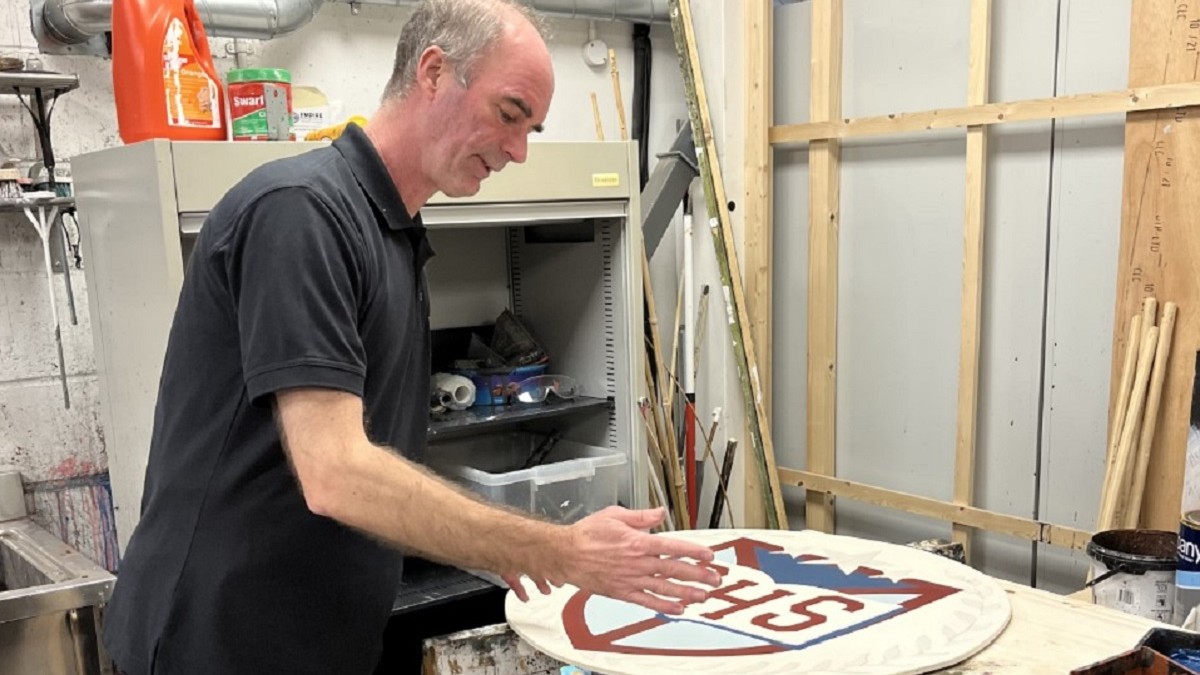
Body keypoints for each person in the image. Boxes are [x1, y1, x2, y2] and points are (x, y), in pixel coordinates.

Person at [101, 1, 721, 673]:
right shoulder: (302, 214)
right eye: (511, 114)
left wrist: (494, 542)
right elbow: (336, 473)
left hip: (316, 643)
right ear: (433, 72)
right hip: (217, 645)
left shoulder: (393, 235)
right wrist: (550, 548)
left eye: (531, 129)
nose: (517, 150)